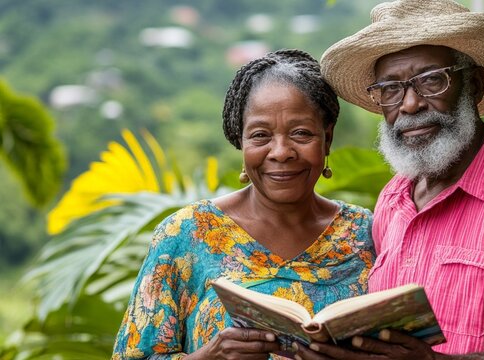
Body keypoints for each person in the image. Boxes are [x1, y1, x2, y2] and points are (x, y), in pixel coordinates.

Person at [292, 0, 484, 359]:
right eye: (390, 89)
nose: (410, 104)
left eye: (431, 80)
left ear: (473, 84)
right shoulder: (394, 198)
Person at [111, 49, 375, 359]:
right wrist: (212, 356)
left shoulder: (365, 234)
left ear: (326, 139)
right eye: (261, 135)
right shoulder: (188, 234)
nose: (281, 152)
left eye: (301, 133)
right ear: (241, 140)